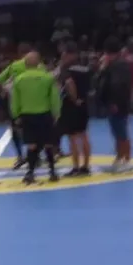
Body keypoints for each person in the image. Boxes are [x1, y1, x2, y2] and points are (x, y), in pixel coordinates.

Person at [95, 37, 133, 173]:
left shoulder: (120, 65)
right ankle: (120, 158)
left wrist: (114, 102)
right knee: (117, 132)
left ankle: (126, 160)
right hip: (115, 102)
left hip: (118, 103)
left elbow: (118, 85)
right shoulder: (114, 65)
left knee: (122, 132)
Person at [9, 51, 62, 185]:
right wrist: (56, 113)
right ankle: (52, 172)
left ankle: (30, 173)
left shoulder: (19, 79)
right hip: (45, 114)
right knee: (48, 143)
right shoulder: (47, 78)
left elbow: (15, 100)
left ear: (25, 64)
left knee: (32, 144)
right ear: (39, 63)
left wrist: (16, 115)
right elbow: (54, 97)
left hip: (27, 115)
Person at [57, 42, 93, 176]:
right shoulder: (85, 67)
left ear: (67, 54)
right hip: (85, 103)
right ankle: (86, 166)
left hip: (71, 105)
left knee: (72, 137)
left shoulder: (66, 68)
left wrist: (74, 98)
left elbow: (69, 83)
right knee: (84, 134)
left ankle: (76, 167)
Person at [0, 43, 32, 169]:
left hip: (15, 102)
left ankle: (20, 156)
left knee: (16, 129)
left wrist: (4, 90)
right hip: (33, 102)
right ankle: (34, 156)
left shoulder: (14, 66)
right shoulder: (38, 65)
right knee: (33, 129)